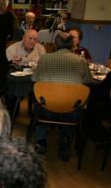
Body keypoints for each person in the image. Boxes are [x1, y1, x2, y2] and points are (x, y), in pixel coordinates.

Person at [32, 31, 92, 160]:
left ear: (55, 44)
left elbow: (34, 78)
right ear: (72, 45)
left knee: (39, 103)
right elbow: (88, 81)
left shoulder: (45, 58)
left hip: (47, 108)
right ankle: (65, 141)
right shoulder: (81, 61)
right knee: (73, 105)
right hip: (71, 110)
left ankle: (41, 141)